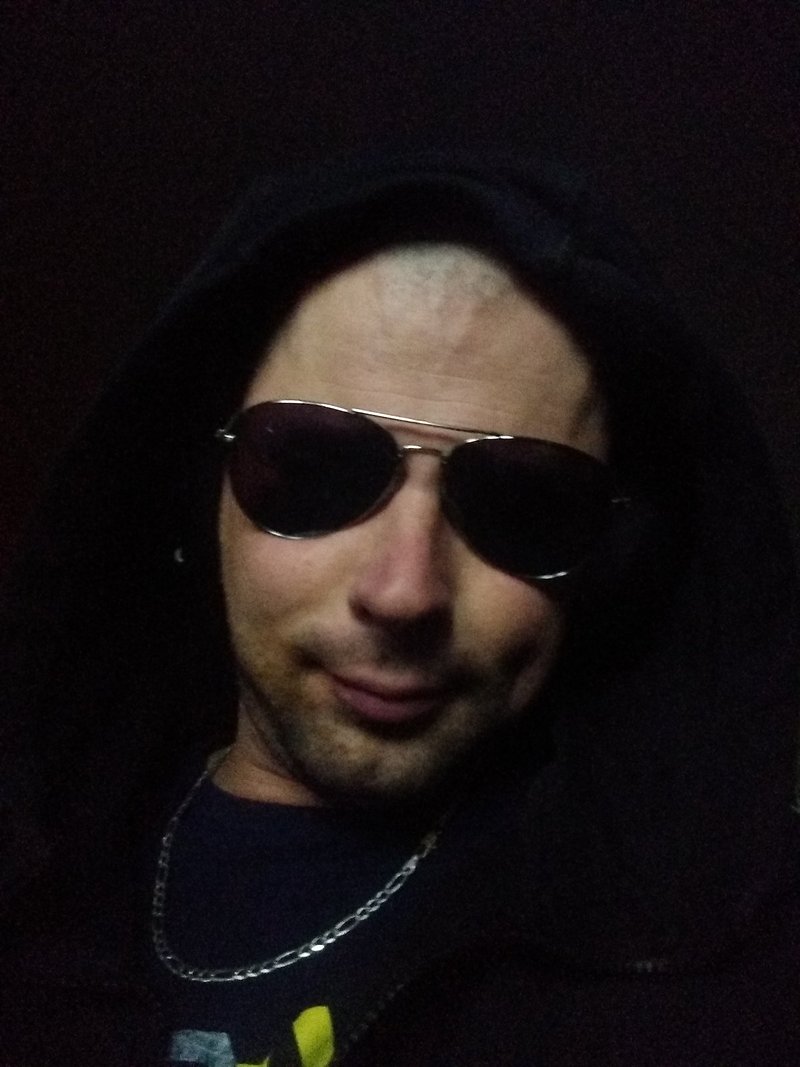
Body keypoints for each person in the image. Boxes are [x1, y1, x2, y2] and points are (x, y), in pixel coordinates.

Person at [1, 151, 799, 1065]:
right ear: (201, 491)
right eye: (313, 468)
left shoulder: (733, 972)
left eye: (523, 504)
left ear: (614, 562)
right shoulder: (37, 874)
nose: (405, 590)